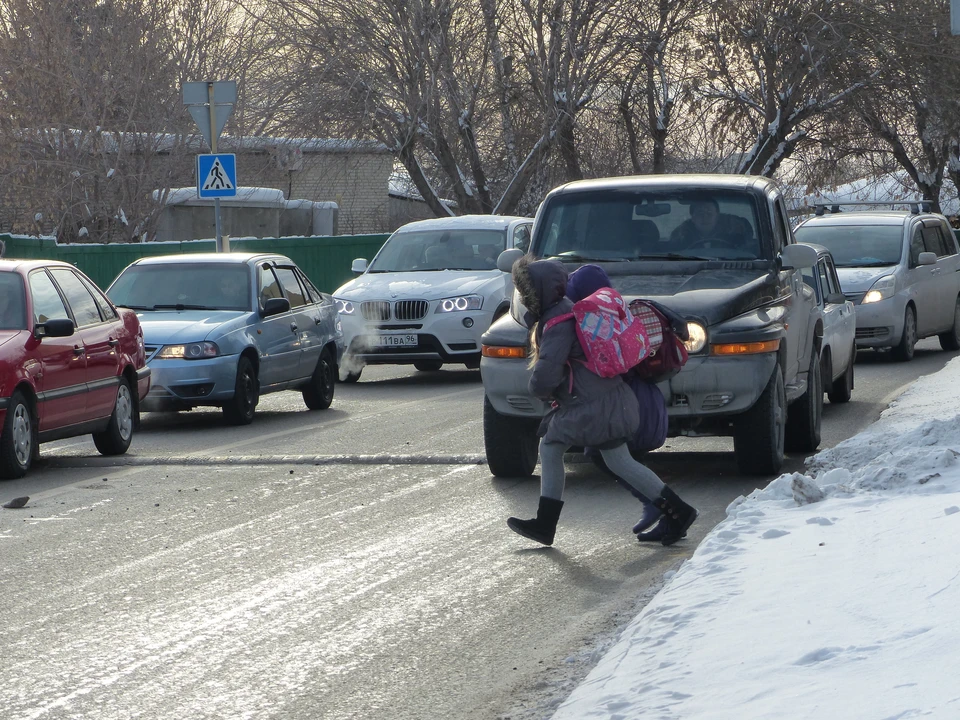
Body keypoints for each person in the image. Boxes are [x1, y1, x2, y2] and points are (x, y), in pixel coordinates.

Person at [505, 256, 698, 547]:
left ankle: (545, 524)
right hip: (610, 401)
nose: (522, 298)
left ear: (539, 293)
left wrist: (537, 389)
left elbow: (546, 374)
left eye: (525, 291)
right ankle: (679, 511)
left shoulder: (557, 322)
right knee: (619, 460)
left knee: (551, 446)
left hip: (592, 406)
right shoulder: (569, 311)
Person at [565, 264, 675, 542]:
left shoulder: (601, 322)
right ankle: (666, 512)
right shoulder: (619, 311)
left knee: (613, 456)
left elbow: (612, 366)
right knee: (613, 457)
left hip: (629, 402)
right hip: (640, 399)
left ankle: (670, 511)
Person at [670, 198, 750, 250]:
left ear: (717, 217)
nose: (704, 217)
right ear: (693, 218)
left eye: (709, 213)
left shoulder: (734, 234)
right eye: (700, 213)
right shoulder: (680, 237)